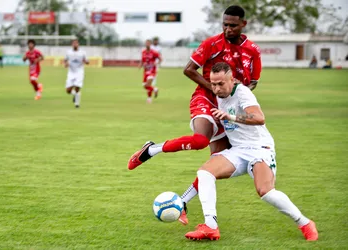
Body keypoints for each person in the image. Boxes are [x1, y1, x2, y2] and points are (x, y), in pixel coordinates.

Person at [128, 5, 262, 224]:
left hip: (227, 106)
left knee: (214, 164)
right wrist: (213, 87)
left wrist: (238, 95)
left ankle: (181, 203)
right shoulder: (212, 44)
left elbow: (253, 82)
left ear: (243, 24)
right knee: (200, 141)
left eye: (233, 25)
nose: (228, 29)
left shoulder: (253, 51)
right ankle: (152, 149)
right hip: (205, 98)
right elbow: (189, 69)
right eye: (225, 24)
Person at [184, 62, 318, 241]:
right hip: (238, 151)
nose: (216, 88)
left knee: (266, 191)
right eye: (213, 84)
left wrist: (231, 116)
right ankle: (211, 226)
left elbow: (259, 117)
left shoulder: (242, 93)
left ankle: (305, 223)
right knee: (205, 173)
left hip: (260, 149)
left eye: (220, 84)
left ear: (231, 79)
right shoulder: (218, 93)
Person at [64, 39, 89, 108]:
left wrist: (85, 61)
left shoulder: (82, 52)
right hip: (71, 72)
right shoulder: (68, 52)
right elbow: (65, 60)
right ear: (72, 44)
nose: (75, 44)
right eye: (73, 43)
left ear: (78, 44)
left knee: (77, 87)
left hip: (79, 72)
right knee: (68, 90)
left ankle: (77, 104)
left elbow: (87, 61)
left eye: (76, 43)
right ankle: (75, 94)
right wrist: (66, 64)